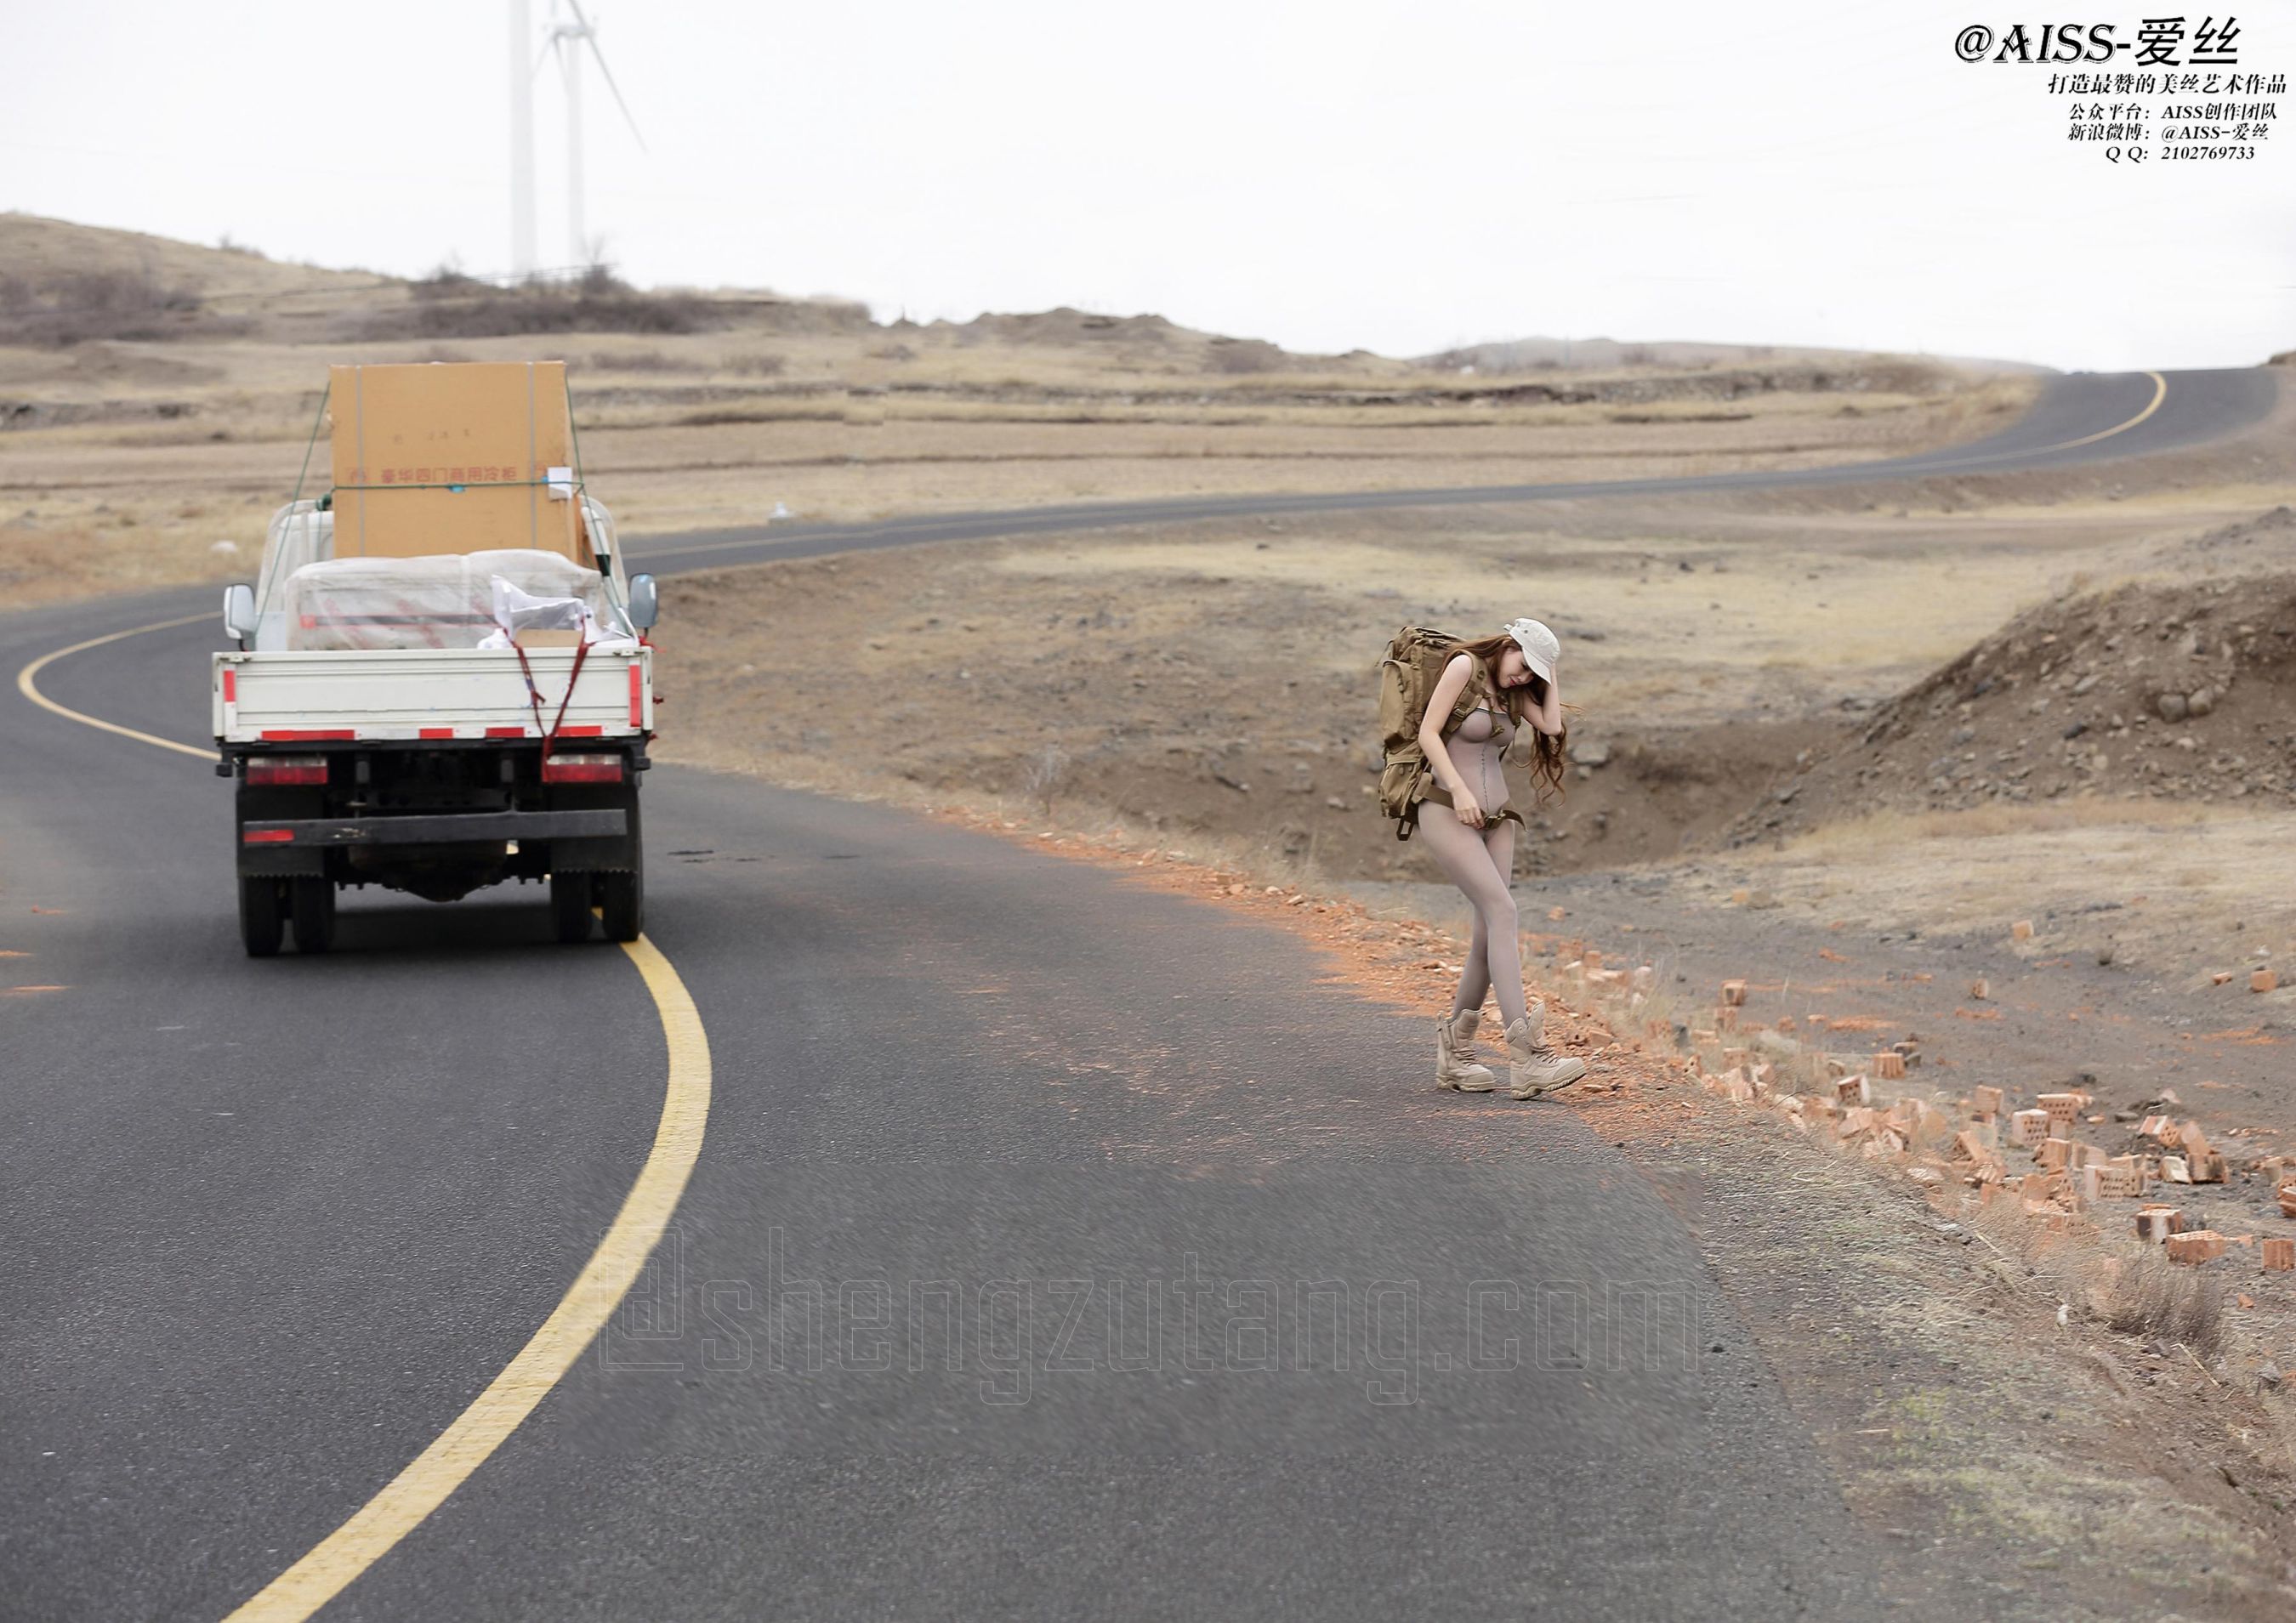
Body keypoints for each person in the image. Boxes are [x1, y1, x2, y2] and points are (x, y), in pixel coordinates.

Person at [1419, 618, 1588, 1099]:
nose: (1523, 678)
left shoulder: (1513, 691)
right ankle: (1528, 1056)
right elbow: (1431, 735)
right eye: (1522, 665)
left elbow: (1552, 725)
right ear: (1507, 645)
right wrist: (1458, 791)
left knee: (1485, 935)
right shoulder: (1464, 667)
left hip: (1498, 819)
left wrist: (1546, 672)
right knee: (1504, 913)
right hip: (1447, 808)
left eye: (1532, 674)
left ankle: (1455, 1053)